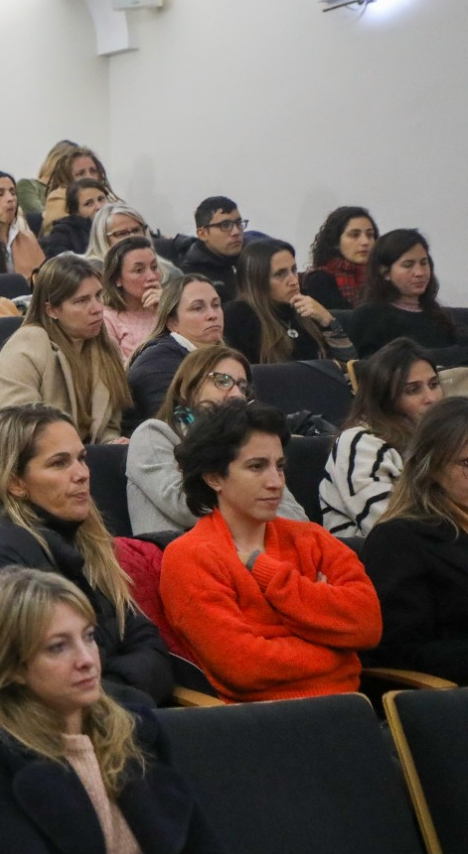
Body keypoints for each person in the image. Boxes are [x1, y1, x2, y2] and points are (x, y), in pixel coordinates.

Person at [0, 568, 230, 854]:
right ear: (11, 667)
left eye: (89, 637)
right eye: (58, 647)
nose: (87, 660)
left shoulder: (134, 727)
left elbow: (205, 853)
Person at [0, 404, 173, 704]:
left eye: (82, 458)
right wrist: (125, 693)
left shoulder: (87, 543)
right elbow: (40, 686)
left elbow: (151, 649)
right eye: (59, 463)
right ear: (15, 483)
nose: (82, 474)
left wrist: (113, 688)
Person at [162, 401, 381, 702]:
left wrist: (273, 578)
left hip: (350, 711)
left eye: (279, 466)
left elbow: (368, 625)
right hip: (265, 721)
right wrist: (335, 648)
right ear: (214, 477)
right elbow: (244, 665)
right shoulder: (189, 557)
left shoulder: (313, 539)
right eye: (256, 466)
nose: (276, 482)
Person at [128, 345, 306, 535]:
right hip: (178, 549)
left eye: (242, 386)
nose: (236, 394)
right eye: (223, 381)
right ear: (188, 388)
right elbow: (186, 506)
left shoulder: (248, 444)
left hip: (255, 548)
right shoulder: (154, 434)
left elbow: (297, 517)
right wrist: (258, 505)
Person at [0, 254, 128, 450]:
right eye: (82, 300)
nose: (97, 308)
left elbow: (108, 425)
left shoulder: (107, 349)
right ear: (51, 310)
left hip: (75, 459)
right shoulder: (28, 344)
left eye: (99, 295)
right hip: (7, 459)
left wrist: (111, 442)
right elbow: (20, 429)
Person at [363, 397, 468, 682]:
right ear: (431, 467)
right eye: (467, 463)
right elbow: (397, 652)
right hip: (448, 696)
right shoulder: (398, 540)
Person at [319, 338, 442, 538]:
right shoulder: (359, 442)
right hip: (378, 554)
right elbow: (390, 529)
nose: (432, 398)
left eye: (434, 384)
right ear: (384, 399)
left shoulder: (443, 439)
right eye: (413, 390)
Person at [223, 238, 354, 364]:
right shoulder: (238, 316)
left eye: (294, 270)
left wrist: (328, 322)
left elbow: (349, 366)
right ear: (257, 281)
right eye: (280, 274)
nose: (294, 281)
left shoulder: (306, 309)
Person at [126, 274, 226, 422]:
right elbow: (177, 424)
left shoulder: (227, 359)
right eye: (197, 308)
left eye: (216, 305)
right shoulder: (156, 363)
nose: (212, 315)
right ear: (172, 322)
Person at [351, 229, 460, 358]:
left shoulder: (435, 312)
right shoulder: (369, 315)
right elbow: (372, 365)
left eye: (424, 263)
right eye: (408, 265)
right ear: (385, 272)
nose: (420, 272)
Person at [100, 235, 164, 362]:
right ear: (117, 278)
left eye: (154, 267)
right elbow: (116, 369)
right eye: (139, 270)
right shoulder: (107, 318)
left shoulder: (169, 309)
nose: (152, 276)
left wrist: (167, 311)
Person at [301, 206, 378, 311]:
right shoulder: (320, 279)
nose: (365, 242)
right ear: (336, 242)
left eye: (370, 235)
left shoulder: (382, 277)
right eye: (355, 235)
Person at [181, 196, 246, 302]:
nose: (236, 232)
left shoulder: (252, 260)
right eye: (225, 225)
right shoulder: (192, 278)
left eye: (238, 223)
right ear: (202, 234)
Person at [37, 148, 114, 233]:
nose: (89, 176)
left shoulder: (107, 197)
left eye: (93, 171)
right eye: (80, 173)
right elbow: (62, 232)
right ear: (67, 177)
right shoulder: (58, 198)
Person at [39, 178, 109, 258]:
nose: (99, 206)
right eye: (89, 204)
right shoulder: (63, 232)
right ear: (76, 212)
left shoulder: (119, 222)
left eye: (101, 199)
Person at [85, 201, 157, 263]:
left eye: (136, 230)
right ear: (102, 238)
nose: (132, 237)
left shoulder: (161, 267)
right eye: (122, 233)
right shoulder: (92, 271)